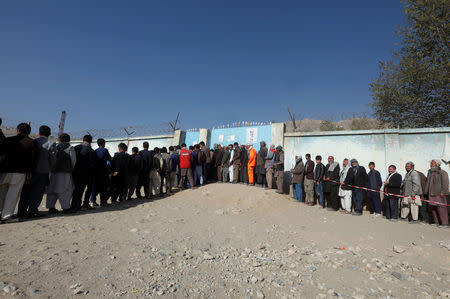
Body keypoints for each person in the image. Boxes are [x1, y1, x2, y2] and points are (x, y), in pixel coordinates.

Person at [0, 123, 35, 222]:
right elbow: (31, 159)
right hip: (19, 172)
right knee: (13, 194)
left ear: (18, 130)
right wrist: (29, 173)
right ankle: (6, 216)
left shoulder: (7, 140)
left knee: (2, 192)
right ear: (29, 132)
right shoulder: (31, 142)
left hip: (5, 171)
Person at [19, 125, 55, 217]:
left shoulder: (33, 141)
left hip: (30, 171)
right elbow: (52, 159)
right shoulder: (51, 143)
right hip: (43, 171)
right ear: (49, 134)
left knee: (26, 191)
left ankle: (22, 210)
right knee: (38, 192)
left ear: (39, 133)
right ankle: (32, 210)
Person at [46, 133, 76, 214]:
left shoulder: (54, 147)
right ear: (68, 140)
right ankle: (66, 208)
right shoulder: (70, 148)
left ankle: (51, 207)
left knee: (52, 190)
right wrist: (70, 169)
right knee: (65, 190)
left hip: (52, 172)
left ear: (59, 139)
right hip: (65, 173)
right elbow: (73, 161)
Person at [71, 135, 96, 211]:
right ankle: (81, 204)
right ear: (91, 141)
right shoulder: (91, 151)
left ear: (83, 139)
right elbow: (92, 164)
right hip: (85, 174)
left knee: (76, 189)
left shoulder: (75, 148)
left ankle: (75, 204)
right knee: (81, 189)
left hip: (74, 172)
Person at [424, 159, 449, 227]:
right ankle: (436, 222)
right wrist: (426, 192)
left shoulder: (442, 172)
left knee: (441, 208)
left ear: (437, 164)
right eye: (431, 163)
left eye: (432, 163)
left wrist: (443, 191)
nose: (431, 164)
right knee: (432, 208)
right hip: (431, 193)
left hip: (439, 193)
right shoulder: (429, 172)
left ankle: (445, 223)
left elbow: (446, 183)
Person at [91, 138, 111, 206]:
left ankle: (92, 201)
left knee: (95, 187)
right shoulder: (105, 150)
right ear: (103, 143)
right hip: (103, 172)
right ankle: (103, 202)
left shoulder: (95, 151)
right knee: (103, 187)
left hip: (96, 172)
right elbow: (109, 160)